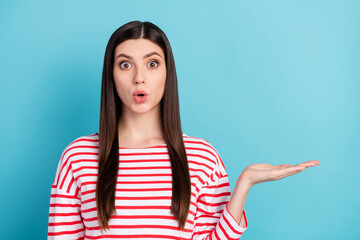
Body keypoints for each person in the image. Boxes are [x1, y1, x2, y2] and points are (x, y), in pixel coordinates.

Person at [47, 20, 320, 240]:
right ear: (112, 74)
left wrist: (244, 183)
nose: (138, 77)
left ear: (167, 73)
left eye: (152, 64)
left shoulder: (202, 156)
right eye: (125, 64)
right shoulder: (78, 156)